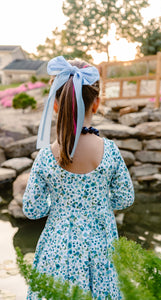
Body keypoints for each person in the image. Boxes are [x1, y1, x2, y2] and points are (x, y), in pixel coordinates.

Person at [22, 56, 134, 300]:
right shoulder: (110, 151)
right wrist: (98, 205)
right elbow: (125, 198)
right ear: (96, 104)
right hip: (101, 247)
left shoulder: (45, 156)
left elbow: (32, 209)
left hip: (58, 250)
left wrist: (60, 207)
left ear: (55, 105)